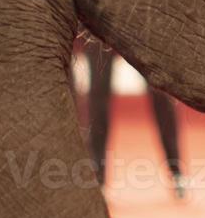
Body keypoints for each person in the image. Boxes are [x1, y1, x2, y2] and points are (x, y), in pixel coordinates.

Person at [78, 36, 186, 198]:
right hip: (99, 21)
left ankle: (176, 171)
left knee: (161, 91)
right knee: (98, 95)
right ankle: (97, 176)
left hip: (140, 21)